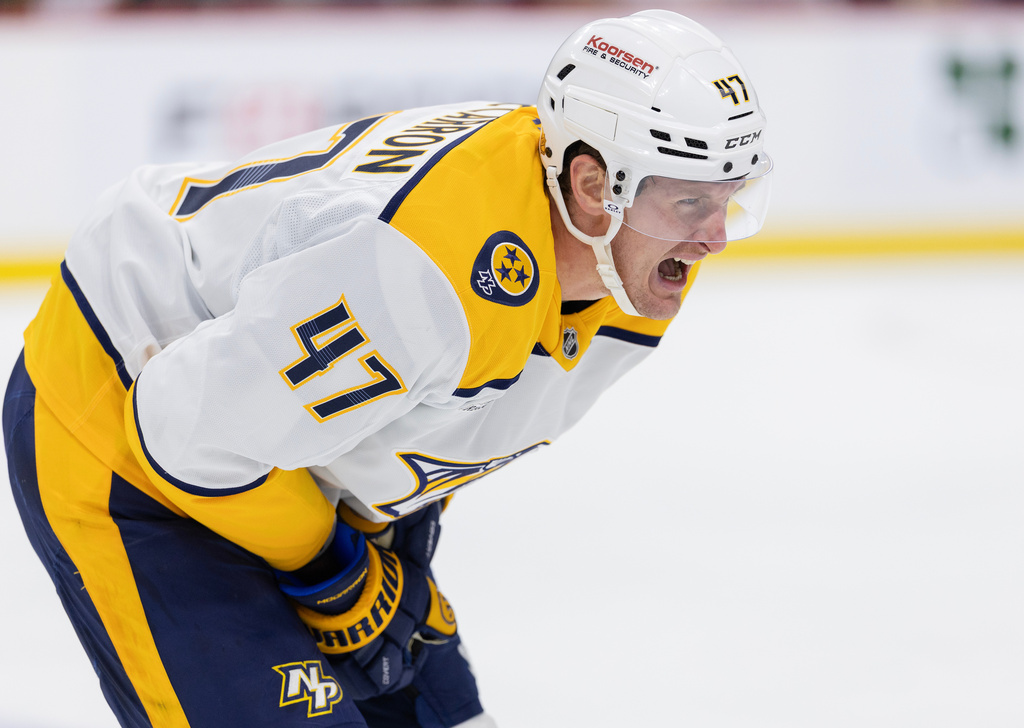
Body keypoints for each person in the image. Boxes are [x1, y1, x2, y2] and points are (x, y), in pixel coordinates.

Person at [3, 9, 771, 728]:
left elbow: (443, 409)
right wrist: (336, 573)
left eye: (730, 198)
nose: (716, 238)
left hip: (268, 446)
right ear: (595, 186)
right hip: (123, 420)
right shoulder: (423, 275)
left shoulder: (623, 253)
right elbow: (182, 433)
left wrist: (391, 538)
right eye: (692, 203)